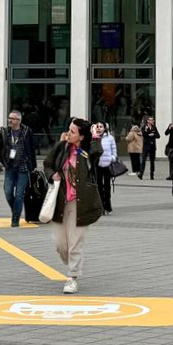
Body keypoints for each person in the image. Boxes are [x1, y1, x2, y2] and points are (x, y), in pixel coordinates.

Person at [42, 118, 103, 295]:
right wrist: (52, 174)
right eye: (69, 129)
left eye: (73, 131)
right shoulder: (61, 148)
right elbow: (47, 164)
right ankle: (72, 264)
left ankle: (72, 277)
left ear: (81, 137)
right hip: (60, 202)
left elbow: (97, 152)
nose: (68, 133)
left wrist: (95, 137)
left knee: (75, 243)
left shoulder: (87, 152)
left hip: (81, 204)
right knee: (61, 245)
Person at [0, 110, 36, 228]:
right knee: (8, 192)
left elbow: (32, 148)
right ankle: (15, 210)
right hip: (10, 166)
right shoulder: (5, 132)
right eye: (9, 118)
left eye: (13, 118)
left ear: (18, 120)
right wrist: (3, 161)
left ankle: (15, 217)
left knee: (19, 194)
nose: (10, 120)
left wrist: (32, 166)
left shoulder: (27, 131)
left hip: (23, 166)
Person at [93, 122, 117, 215]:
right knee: (99, 186)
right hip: (97, 165)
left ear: (104, 128)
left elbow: (114, 151)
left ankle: (108, 206)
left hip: (107, 165)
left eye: (101, 127)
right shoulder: (94, 138)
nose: (99, 128)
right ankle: (101, 206)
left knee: (107, 186)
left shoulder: (110, 138)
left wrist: (112, 158)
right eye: (97, 127)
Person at [139, 116, 159, 180]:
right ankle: (141, 174)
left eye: (152, 120)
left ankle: (152, 175)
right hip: (146, 146)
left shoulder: (154, 127)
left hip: (152, 146)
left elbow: (158, 135)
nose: (152, 121)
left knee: (152, 161)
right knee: (143, 160)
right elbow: (143, 134)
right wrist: (147, 132)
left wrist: (153, 135)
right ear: (147, 121)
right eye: (150, 120)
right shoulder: (144, 127)